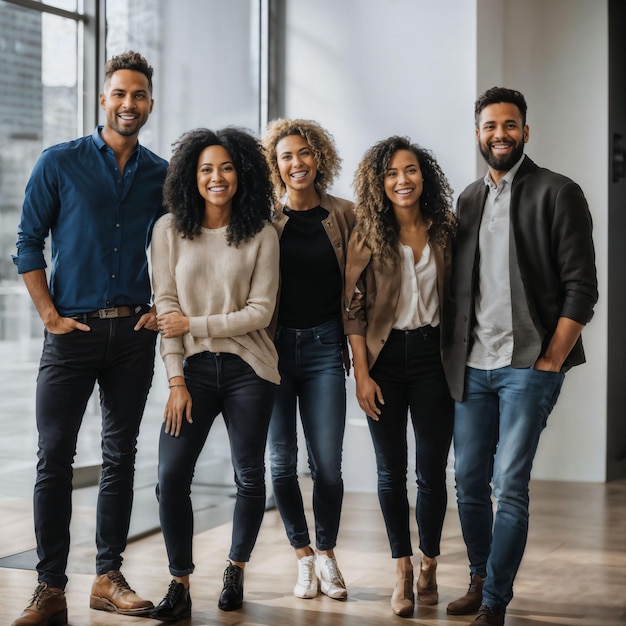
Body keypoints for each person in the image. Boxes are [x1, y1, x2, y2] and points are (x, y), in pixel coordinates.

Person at [10, 51, 167, 626]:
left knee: (120, 456)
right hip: (71, 333)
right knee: (54, 456)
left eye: (140, 95)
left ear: (151, 102)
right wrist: (49, 315)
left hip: (132, 335)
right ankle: (49, 587)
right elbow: (27, 243)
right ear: (103, 98)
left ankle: (107, 577)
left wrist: (159, 309)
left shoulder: (160, 173)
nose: (129, 104)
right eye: (120, 94)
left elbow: (183, 246)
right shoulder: (60, 162)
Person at [442, 87, 598, 626]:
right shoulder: (466, 200)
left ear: (525, 132)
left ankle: (495, 602)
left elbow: (582, 287)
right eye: (490, 125)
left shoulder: (559, 192)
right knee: (466, 483)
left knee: (509, 482)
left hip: (528, 366)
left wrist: (552, 357)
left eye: (510, 125)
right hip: (473, 367)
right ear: (478, 133)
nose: (500, 134)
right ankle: (479, 577)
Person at [148, 127, 279, 620]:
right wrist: (176, 380)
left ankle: (235, 568)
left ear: (241, 174)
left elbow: (261, 311)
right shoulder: (168, 231)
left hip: (250, 366)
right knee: (170, 476)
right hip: (194, 371)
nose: (216, 177)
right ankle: (179, 582)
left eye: (225, 167)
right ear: (191, 176)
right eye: (206, 169)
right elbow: (165, 306)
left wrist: (194, 323)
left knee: (249, 476)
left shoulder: (261, 233)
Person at [344, 136, 456, 617]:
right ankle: (403, 569)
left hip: (435, 358)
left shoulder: (447, 229)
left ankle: (430, 560)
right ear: (379, 182)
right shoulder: (367, 234)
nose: (402, 180)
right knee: (390, 473)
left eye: (409, 170)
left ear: (423, 175)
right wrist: (362, 375)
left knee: (431, 472)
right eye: (391, 173)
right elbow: (352, 311)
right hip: (384, 361)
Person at [261, 118, 354, 601]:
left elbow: (367, 287)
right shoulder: (264, 220)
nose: (296, 163)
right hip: (273, 353)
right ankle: (302, 558)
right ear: (275, 167)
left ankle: (327, 554)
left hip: (323, 350)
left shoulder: (345, 215)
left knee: (328, 467)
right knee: (280, 465)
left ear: (319, 157)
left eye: (304, 154)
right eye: (286, 157)